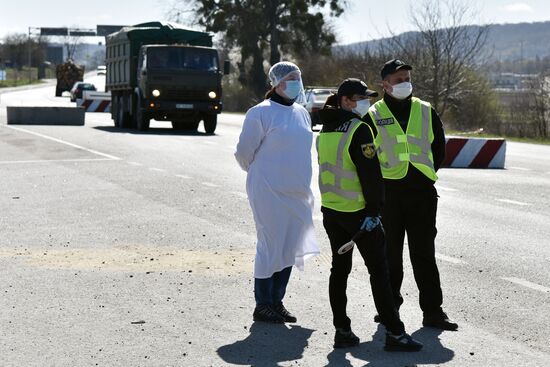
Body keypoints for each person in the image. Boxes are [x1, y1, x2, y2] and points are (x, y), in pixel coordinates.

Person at [317, 78, 422, 351]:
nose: (367, 103)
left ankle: (342, 330)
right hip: (358, 214)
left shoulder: (326, 128)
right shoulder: (359, 129)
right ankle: (395, 333)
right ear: (346, 101)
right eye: (361, 98)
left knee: (339, 271)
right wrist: (375, 212)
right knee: (379, 272)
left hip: (332, 211)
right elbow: (371, 176)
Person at [363, 59, 458, 331]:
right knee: (390, 256)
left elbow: (438, 149)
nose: (404, 82)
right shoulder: (373, 114)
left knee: (424, 254)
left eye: (406, 77)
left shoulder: (426, 110)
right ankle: (389, 308)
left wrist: (423, 173)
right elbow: (367, 159)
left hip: (421, 193)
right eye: (398, 79)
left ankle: (433, 312)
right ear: (385, 84)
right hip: (389, 195)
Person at [235, 61, 320, 324]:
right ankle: (263, 304)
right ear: (276, 83)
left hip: (297, 190)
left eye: (298, 77)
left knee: (289, 244)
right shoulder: (260, 113)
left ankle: (277, 301)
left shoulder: (301, 113)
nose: (296, 83)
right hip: (268, 190)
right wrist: (264, 174)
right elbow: (243, 153)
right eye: (290, 78)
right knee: (271, 244)